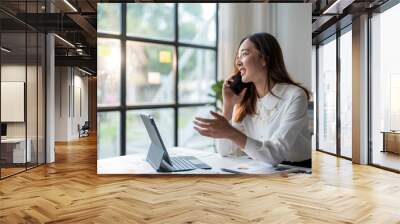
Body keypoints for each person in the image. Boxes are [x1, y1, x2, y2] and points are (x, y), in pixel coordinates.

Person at [193, 32, 311, 168]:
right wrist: (228, 106)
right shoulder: (245, 101)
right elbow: (225, 151)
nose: (238, 62)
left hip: (298, 170)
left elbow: (276, 153)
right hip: (262, 169)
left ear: (264, 59)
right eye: (238, 57)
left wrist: (231, 132)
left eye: (244, 54)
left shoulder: (294, 96)